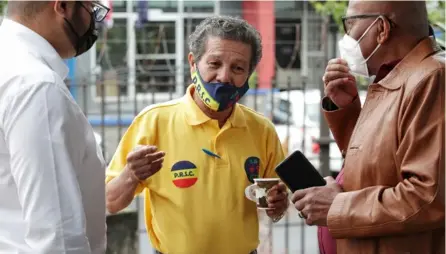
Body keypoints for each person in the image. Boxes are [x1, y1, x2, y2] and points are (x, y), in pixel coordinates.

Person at [105, 15, 289, 254]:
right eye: (214, 64)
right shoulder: (153, 122)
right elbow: (111, 201)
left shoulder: (261, 130)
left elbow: (276, 202)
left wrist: (278, 206)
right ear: (193, 63)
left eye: (238, 68)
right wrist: (130, 174)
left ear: (249, 74)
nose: (224, 77)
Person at [291, 1, 445, 254]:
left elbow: (428, 198)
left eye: (350, 24)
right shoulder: (397, 78)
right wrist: (348, 110)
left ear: (381, 28)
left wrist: (336, 205)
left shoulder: (432, 78)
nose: (346, 37)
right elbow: (379, 167)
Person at [0, 1, 110, 253]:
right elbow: (57, 234)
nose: (94, 19)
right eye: (90, 8)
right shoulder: (36, 86)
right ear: (62, 6)